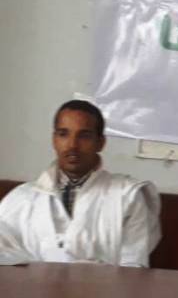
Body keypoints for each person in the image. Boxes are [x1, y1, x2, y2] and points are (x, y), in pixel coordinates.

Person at [0, 100, 161, 266]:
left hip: (104, 284)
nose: (72, 145)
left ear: (100, 143)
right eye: (63, 134)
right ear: (54, 139)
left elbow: (133, 267)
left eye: (84, 136)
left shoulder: (128, 196)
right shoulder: (21, 199)